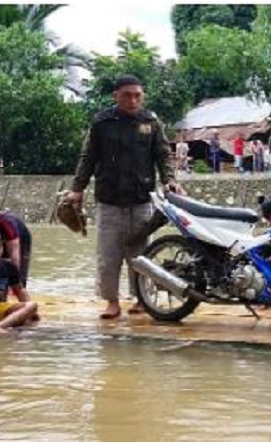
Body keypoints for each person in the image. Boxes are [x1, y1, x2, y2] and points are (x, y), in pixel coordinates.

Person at [66, 74, 181, 319]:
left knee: (141, 254)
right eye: (127, 95)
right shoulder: (102, 122)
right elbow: (88, 157)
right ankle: (112, 302)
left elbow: (163, 155)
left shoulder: (151, 122)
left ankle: (141, 298)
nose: (133, 100)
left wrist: (170, 180)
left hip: (141, 199)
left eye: (138, 95)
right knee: (108, 256)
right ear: (116, 96)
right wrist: (77, 188)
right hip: (109, 200)